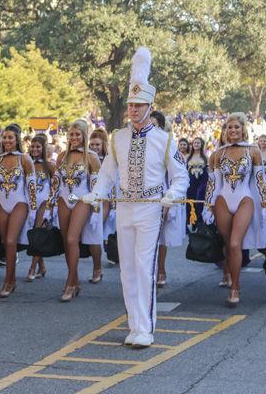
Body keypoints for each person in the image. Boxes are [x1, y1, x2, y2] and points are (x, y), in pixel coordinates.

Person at [83, 47, 189, 348]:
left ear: (149, 106)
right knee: (127, 268)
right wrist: (96, 193)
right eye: (130, 104)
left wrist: (172, 194)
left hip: (151, 208)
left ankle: (146, 328)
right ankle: (134, 324)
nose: (133, 109)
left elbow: (181, 176)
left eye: (139, 105)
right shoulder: (117, 138)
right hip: (125, 208)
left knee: (144, 267)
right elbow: (106, 173)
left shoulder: (164, 139)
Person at [203, 112, 266, 307]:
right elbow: (213, 184)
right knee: (226, 242)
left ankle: (235, 287)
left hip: (244, 199)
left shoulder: (253, 151)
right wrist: (208, 207)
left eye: (237, 127)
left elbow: (260, 182)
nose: (233, 131)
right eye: (230, 127)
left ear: (243, 130)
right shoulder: (217, 154)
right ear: (225, 131)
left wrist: (263, 207)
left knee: (234, 243)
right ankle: (228, 273)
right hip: (223, 200)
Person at [48, 120, 103, 301]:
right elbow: (56, 183)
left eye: (77, 134)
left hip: (82, 199)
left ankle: (69, 284)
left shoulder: (92, 158)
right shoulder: (61, 156)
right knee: (66, 242)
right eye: (71, 134)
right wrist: (50, 205)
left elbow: (96, 188)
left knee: (72, 239)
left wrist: (96, 211)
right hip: (64, 199)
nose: (74, 138)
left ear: (84, 135)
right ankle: (76, 281)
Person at [0, 125, 36, 298]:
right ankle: (11, 279)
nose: (7, 141)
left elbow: (31, 187)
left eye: (10, 138)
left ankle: (8, 280)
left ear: (17, 140)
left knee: (10, 240)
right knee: (5, 242)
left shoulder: (25, 159)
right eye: (4, 137)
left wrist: (33, 211)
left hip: (19, 203)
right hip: (1, 203)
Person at [151, 111, 187, 288]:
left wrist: (172, 197)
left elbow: (179, 173)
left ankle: (160, 269)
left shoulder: (167, 145)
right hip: (139, 196)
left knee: (157, 233)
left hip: (162, 193)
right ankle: (147, 271)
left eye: (155, 125)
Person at [27, 135, 55, 281]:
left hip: (45, 203)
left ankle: (32, 267)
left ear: (43, 148)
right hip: (29, 203)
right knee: (32, 235)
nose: (35, 149)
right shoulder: (26, 163)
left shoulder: (49, 165)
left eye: (38, 146)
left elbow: (56, 186)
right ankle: (42, 267)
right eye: (33, 146)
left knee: (38, 234)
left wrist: (52, 207)